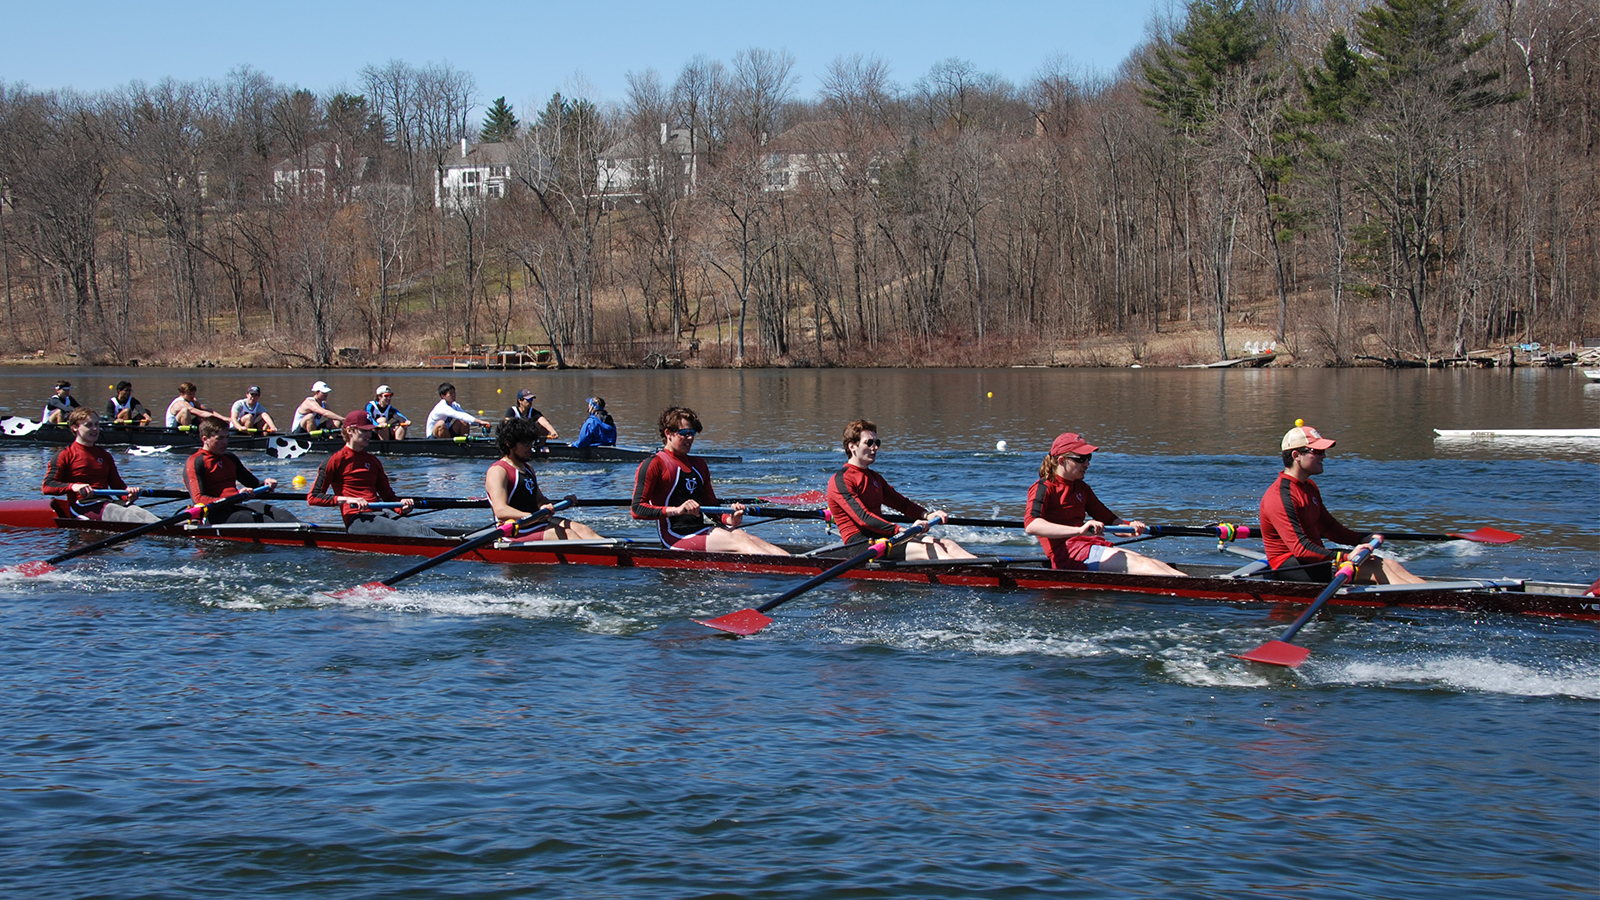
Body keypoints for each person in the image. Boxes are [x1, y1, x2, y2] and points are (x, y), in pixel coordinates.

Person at [1259, 423, 1424, 584]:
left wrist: (1362, 539)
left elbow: (1329, 527)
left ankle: (1437, 594)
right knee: (1375, 569)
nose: (1324, 456)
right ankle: (1424, 601)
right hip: (1290, 567)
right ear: (1296, 456)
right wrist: (1345, 557)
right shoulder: (1281, 496)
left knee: (1386, 563)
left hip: (1312, 559)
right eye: (1318, 451)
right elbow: (1301, 549)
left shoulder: (1309, 487)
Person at [630, 406, 788, 555]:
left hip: (699, 528)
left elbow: (712, 508)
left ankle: (801, 565)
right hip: (675, 535)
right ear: (668, 433)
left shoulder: (699, 465)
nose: (690, 438)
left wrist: (730, 518)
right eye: (684, 433)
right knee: (738, 541)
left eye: (692, 432)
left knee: (748, 538)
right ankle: (789, 570)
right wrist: (676, 510)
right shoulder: (653, 464)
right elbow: (637, 510)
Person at [1022, 433, 1185, 575]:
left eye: (1089, 458)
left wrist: (1130, 528)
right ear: (1062, 460)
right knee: (1145, 566)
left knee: (1154, 564)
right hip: (1069, 555)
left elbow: (1110, 520)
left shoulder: (1082, 488)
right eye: (1081, 459)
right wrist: (1079, 530)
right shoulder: (1043, 488)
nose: (1087, 464)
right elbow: (1032, 525)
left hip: (1089, 546)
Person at [826, 419, 974, 560]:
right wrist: (902, 531)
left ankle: (989, 569)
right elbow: (863, 518)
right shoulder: (841, 480)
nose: (875, 447)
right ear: (852, 446)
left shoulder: (875, 477)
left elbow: (902, 504)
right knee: (928, 549)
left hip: (882, 537)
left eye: (877, 442)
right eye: (869, 443)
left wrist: (927, 515)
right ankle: (972, 576)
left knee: (947, 544)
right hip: (860, 544)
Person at [307, 410, 441, 537]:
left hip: (378, 514)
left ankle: (456, 549)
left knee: (421, 529)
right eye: (364, 430)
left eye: (370, 430)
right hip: (357, 519)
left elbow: (388, 497)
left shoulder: (373, 461)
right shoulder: (335, 461)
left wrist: (402, 507)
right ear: (350, 431)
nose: (369, 435)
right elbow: (313, 497)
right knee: (409, 531)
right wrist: (347, 499)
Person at [486, 417, 604, 541]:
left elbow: (540, 500)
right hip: (513, 530)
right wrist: (533, 516)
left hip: (534, 522)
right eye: (526, 443)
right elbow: (501, 511)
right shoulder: (498, 471)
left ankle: (616, 552)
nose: (530, 448)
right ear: (509, 443)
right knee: (565, 534)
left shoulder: (528, 469)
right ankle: (600, 558)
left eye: (531, 443)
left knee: (583, 529)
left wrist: (560, 505)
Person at [41, 409, 159, 523]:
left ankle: (172, 532)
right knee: (123, 514)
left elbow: (118, 486)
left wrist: (128, 495)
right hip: (82, 504)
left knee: (141, 513)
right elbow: (47, 486)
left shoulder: (105, 455)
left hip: (105, 502)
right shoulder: (65, 455)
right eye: (89, 425)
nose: (95, 429)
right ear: (75, 427)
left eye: (97, 424)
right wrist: (73, 486)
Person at [183, 419, 298, 524]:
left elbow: (254, 485)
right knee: (263, 521)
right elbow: (199, 500)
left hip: (235, 506)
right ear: (205, 439)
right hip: (213, 513)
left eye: (227, 437)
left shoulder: (230, 458)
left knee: (282, 515)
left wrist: (267, 485)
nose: (225, 442)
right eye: (219, 438)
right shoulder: (195, 462)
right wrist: (236, 495)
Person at [427, 382, 494, 438]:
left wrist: (481, 424)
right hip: (433, 437)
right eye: (451, 393)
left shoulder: (455, 405)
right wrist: (480, 421)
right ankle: (451, 446)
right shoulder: (442, 407)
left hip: (446, 434)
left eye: (454, 392)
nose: (454, 395)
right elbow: (460, 415)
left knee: (463, 421)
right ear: (443, 396)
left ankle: (465, 444)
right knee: (440, 423)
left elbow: (465, 417)